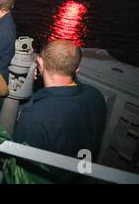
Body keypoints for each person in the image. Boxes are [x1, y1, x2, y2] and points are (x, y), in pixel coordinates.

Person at [13, 40, 107, 181]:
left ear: (40, 62)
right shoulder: (96, 96)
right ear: (76, 69)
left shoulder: (34, 117)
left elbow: (19, 169)